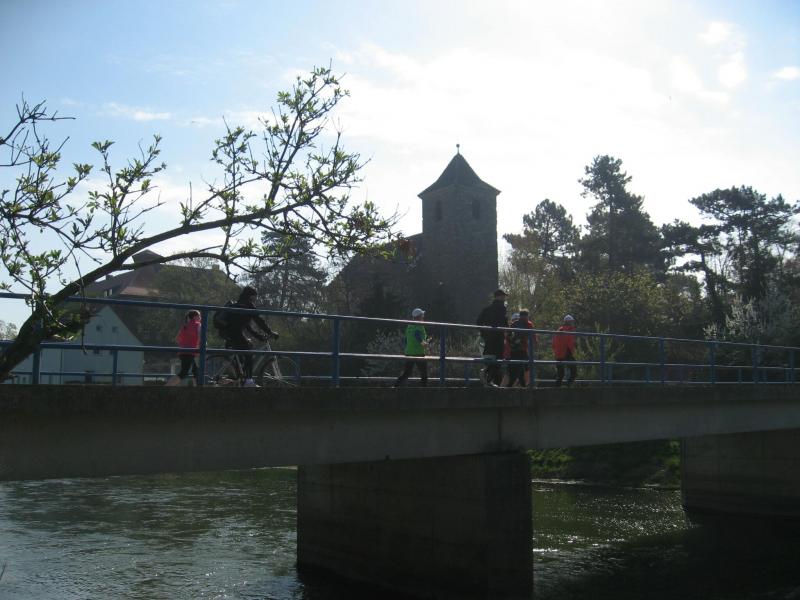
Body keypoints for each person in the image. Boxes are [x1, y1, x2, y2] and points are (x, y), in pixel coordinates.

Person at [220, 286, 279, 387]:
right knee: (249, 354)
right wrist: (270, 332)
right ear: (251, 296)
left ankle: (239, 378)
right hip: (235, 334)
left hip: (228, 333)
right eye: (255, 296)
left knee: (244, 352)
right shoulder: (248, 305)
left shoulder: (238, 304)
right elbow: (259, 321)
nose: (256, 298)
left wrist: (259, 337)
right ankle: (249, 381)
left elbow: (248, 327)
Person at [476, 289, 508, 386]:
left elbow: (478, 322)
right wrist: (509, 333)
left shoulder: (487, 309)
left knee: (490, 358)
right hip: (498, 337)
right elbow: (504, 323)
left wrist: (484, 333)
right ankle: (487, 376)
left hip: (489, 337)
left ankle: (487, 375)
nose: (504, 298)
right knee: (499, 359)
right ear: (499, 296)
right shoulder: (502, 308)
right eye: (503, 296)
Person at [394, 308, 429, 387]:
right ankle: (425, 389)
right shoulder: (419, 325)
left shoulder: (409, 326)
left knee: (407, 373)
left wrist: (407, 348)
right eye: (422, 315)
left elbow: (406, 340)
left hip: (409, 352)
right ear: (419, 317)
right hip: (418, 352)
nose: (423, 317)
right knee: (424, 372)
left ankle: (396, 386)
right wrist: (423, 343)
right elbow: (417, 335)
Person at [507, 309, 535, 388]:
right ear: (526, 316)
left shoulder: (514, 324)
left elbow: (508, 336)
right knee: (522, 367)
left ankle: (522, 385)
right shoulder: (528, 324)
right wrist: (535, 343)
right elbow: (532, 336)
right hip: (521, 349)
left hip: (514, 349)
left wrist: (511, 345)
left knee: (518, 368)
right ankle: (512, 386)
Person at [174, 309, 202, 386]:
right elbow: (201, 338)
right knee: (183, 373)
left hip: (182, 352)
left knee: (195, 372)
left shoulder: (185, 326)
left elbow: (177, 339)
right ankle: (165, 388)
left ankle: (198, 390)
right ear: (195, 317)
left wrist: (185, 343)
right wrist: (198, 346)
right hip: (190, 352)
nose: (200, 317)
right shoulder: (197, 324)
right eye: (199, 315)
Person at [553, 314, 577, 386]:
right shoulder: (569, 329)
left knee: (560, 374)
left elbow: (554, 342)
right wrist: (573, 351)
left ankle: (557, 388)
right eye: (572, 321)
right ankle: (569, 384)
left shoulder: (559, 329)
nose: (572, 323)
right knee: (573, 370)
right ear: (569, 322)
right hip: (566, 351)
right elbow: (570, 342)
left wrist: (555, 351)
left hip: (558, 353)